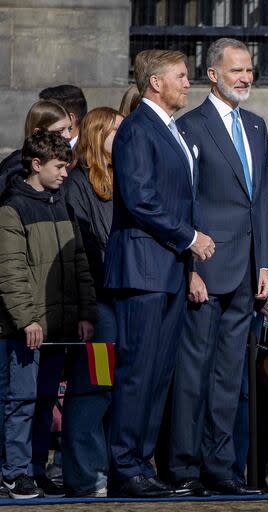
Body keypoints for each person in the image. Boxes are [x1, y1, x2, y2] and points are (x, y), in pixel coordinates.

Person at [103, 49, 215, 498]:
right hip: (142, 268)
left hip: (168, 270)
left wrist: (186, 264)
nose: (188, 83)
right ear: (155, 82)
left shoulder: (171, 130)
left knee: (159, 373)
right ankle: (125, 466)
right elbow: (140, 198)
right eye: (182, 76)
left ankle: (141, 463)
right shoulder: (137, 129)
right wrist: (190, 238)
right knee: (138, 372)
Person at [169, 38, 268, 497]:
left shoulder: (255, 124)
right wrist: (189, 266)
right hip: (205, 269)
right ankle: (184, 466)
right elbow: (183, 200)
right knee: (193, 375)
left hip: (246, 273)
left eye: (250, 70)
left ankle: (221, 467)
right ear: (212, 74)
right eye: (237, 71)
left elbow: (260, 205)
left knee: (230, 376)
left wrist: (266, 264)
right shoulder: (190, 126)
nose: (246, 78)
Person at [0, 131, 96, 499]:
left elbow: (78, 263)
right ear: (36, 165)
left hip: (58, 327)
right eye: (58, 167)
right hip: (27, 331)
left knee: (43, 402)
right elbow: (11, 271)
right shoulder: (13, 209)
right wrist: (27, 319)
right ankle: (15, 471)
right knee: (21, 402)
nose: (65, 174)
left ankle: (37, 467)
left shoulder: (61, 206)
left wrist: (85, 313)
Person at [62, 107, 124, 497]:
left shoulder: (124, 181)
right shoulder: (79, 184)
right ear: (99, 135)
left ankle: (111, 469)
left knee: (118, 391)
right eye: (117, 130)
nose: (125, 136)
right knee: (94, 389)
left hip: (126, 301)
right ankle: (86, 475)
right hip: (100, 306)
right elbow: (83, 248)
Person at [0, 100, 72, 193]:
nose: (68, 136)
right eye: (59, 131)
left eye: (69, 129)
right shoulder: (16, 169)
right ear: (38, 133)